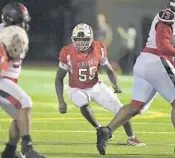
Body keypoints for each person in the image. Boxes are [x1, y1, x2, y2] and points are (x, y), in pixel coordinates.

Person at [96, 0, 175, 155]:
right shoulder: (169, 15)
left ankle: (107, 131)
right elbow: (163, 46)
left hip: (147, 63)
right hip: (156, 61)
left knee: (135, 106)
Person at [55, 23, 145, 148]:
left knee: (121, 109)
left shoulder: (99, 48)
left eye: (84, 39)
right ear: (73, 39)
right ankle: (100, 129)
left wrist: (115, 84)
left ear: (91, 38)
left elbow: (108, 69)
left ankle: (131, 138)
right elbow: (58, 78)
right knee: (82, 102)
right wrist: (61, 101)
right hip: (76, 88)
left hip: (95, 86)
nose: (81, 43)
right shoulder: (67, 52)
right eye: (78, 40)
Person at [0, 3, 46, 158]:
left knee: (21, 117)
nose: (25, 24)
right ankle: (27, 148)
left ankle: (9, 152)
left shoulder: (14, 33)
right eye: (22, 20)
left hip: (7, 81)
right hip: (1, 79)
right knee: (25, 102)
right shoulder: (4, 34)